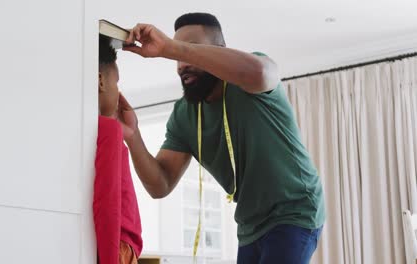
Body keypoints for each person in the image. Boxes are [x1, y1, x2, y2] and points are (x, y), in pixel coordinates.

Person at [119, 12, 325, 264]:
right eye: (177, 57)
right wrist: (132, 135)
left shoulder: (250, 76)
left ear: (219, 50)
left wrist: (173, 48)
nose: (180, 63)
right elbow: (160, 185)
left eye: (190, 49)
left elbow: (261, 73)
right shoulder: (184, 115)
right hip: (250, 224)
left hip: (294, 209)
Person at [94, 34, 142, 264]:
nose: (118, 90)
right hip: (119, 248)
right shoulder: (108, 130)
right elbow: (107, 203)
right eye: (117, 82)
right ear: (101, 81)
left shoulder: (96, 130)